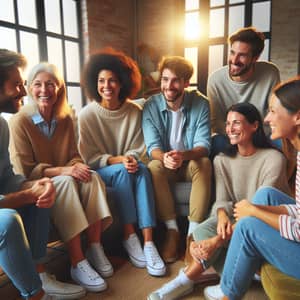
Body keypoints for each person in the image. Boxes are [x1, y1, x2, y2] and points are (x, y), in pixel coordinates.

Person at [148, 102, 290, 300]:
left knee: (215, 237)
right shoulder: (221, 159)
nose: (230, 129)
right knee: (204, 229)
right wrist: (222, 214)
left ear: (255, 126)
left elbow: (258, 211)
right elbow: (222, 200)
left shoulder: (274, 159)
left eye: (237, 123)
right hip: (237, 217)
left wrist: (216, 242)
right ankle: (197, 278)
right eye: (228, 123)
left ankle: (185, 280)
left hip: (266, 222)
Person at [8, 62, 113, 293]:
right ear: (29, 88)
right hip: (33, 183)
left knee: (92, 176)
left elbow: (74, 156)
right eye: (37, 85)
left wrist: (77, 167)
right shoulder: (20, 121)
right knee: (66, 182)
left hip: (60, 175)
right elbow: (24, 169)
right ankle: (77, 262)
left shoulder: (66, 118)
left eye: (50, 85)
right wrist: (65, 171)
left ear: (59, 89)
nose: (44, 90)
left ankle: (95, 247)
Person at [203, 77, 300, 300]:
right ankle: (230, 279)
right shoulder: (223, 159)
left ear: (297, 116)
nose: (267, 118)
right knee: (264, 197)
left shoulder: (274, 157)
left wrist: (254, 212)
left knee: (248, 226)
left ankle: (228, 293)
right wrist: (253, 208)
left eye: (274, 111)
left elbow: (298, 230)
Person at [0, 49, 85, 300]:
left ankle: (41, 275)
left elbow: (6, 176)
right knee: (7, 221)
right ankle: (35, 294)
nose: (24, 93)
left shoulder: (1, 125)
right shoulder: (18, 122)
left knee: (41, 192)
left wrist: (37, 184)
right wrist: (25, 195)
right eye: (17, 85)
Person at [78, 48, 166, 277]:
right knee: (123, 172)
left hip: (130, 166)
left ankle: (148, 242)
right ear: (93, 83)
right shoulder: (87, 115)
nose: (106, 86)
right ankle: (129, 235)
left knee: (144, 171)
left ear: (123, 83)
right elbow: (89, 159)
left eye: (113, 81)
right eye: (101, 81)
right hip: (102, 171)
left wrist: (132, 160)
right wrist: (119, 160)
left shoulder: (135, 111)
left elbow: (140, 148)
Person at [142, 55, 212, 263]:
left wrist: (183, 156)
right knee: (153, 166)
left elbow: (204, 146)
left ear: (185, 83)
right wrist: (165, 157)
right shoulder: (151, 106)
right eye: (164, 79)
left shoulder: (201, 104)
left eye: (174, 80)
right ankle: (172, 231)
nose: (168, 86)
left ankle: (192, 233)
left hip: (189, 163)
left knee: (204, 162)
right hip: (166, 165)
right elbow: (152, 146)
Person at [207, 27, 280, 156]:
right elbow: (216, 122)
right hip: (232, 137)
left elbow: (274, 113)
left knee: (282, 140)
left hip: (261, 135)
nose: (234, 60)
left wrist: (252, 138)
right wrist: (241, 138)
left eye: (242, 55)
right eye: (232, 52)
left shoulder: (270, 72)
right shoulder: (215, 80)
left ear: (255, 58)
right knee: (216, 142)